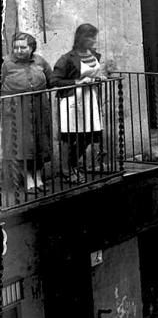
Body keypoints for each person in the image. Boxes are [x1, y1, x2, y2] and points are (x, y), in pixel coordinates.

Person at [52, 24, 109, 183]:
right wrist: (77, 82)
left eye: (94, 37)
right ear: (81, 38)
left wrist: (98, 78)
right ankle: (66, 170)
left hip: (89, 98)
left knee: (89, 134)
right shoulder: (67, 58)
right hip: (72, 100)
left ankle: (72, 164)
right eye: (90, 37)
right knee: (69, 136)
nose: (93, 40)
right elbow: (54, 80)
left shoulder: (94, 55)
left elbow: (93, 74)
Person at [1, 32, 53, 195]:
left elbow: (51, 80)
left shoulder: (40, 61)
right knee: (22, 145)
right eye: (16, 47)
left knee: (39, 143)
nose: (19, 50)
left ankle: (38, 177)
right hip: (16, 111)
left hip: (38, 107)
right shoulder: (6, 64)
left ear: (31, 48)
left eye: (23, 47)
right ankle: (28, 179)